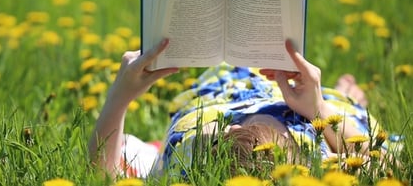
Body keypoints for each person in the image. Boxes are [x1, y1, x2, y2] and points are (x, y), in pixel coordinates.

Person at [88, 38, 397, 178]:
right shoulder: (313, 164)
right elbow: (380, 161)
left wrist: (120, 95)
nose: (236, 126)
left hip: (222, 90)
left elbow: (103, 173)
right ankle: (345, 97)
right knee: (347, 115)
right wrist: (318, 107)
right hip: (302, 101)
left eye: (219, 140)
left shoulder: (184, 165)